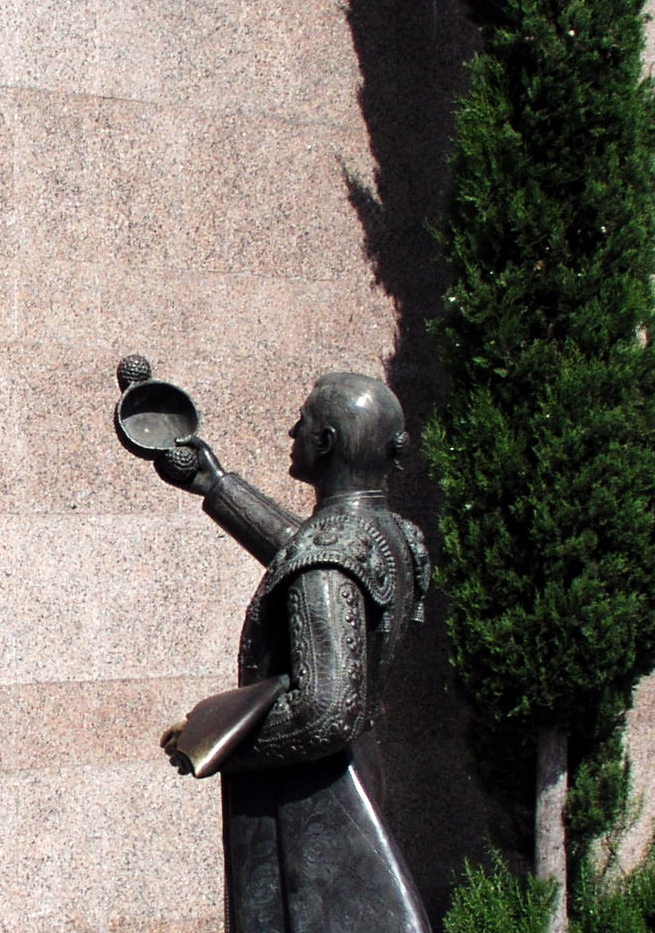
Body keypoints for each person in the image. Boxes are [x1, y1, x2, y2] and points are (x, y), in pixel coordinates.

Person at [155, 372, 432, 933]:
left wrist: (211, 737)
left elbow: (324, 712)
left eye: (302, 422)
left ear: (325, 442)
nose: (291, 431)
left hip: (305, 805)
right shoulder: (390, 535)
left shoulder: (328, 557)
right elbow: (303, 549)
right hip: (349, 778)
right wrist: (215, 484)